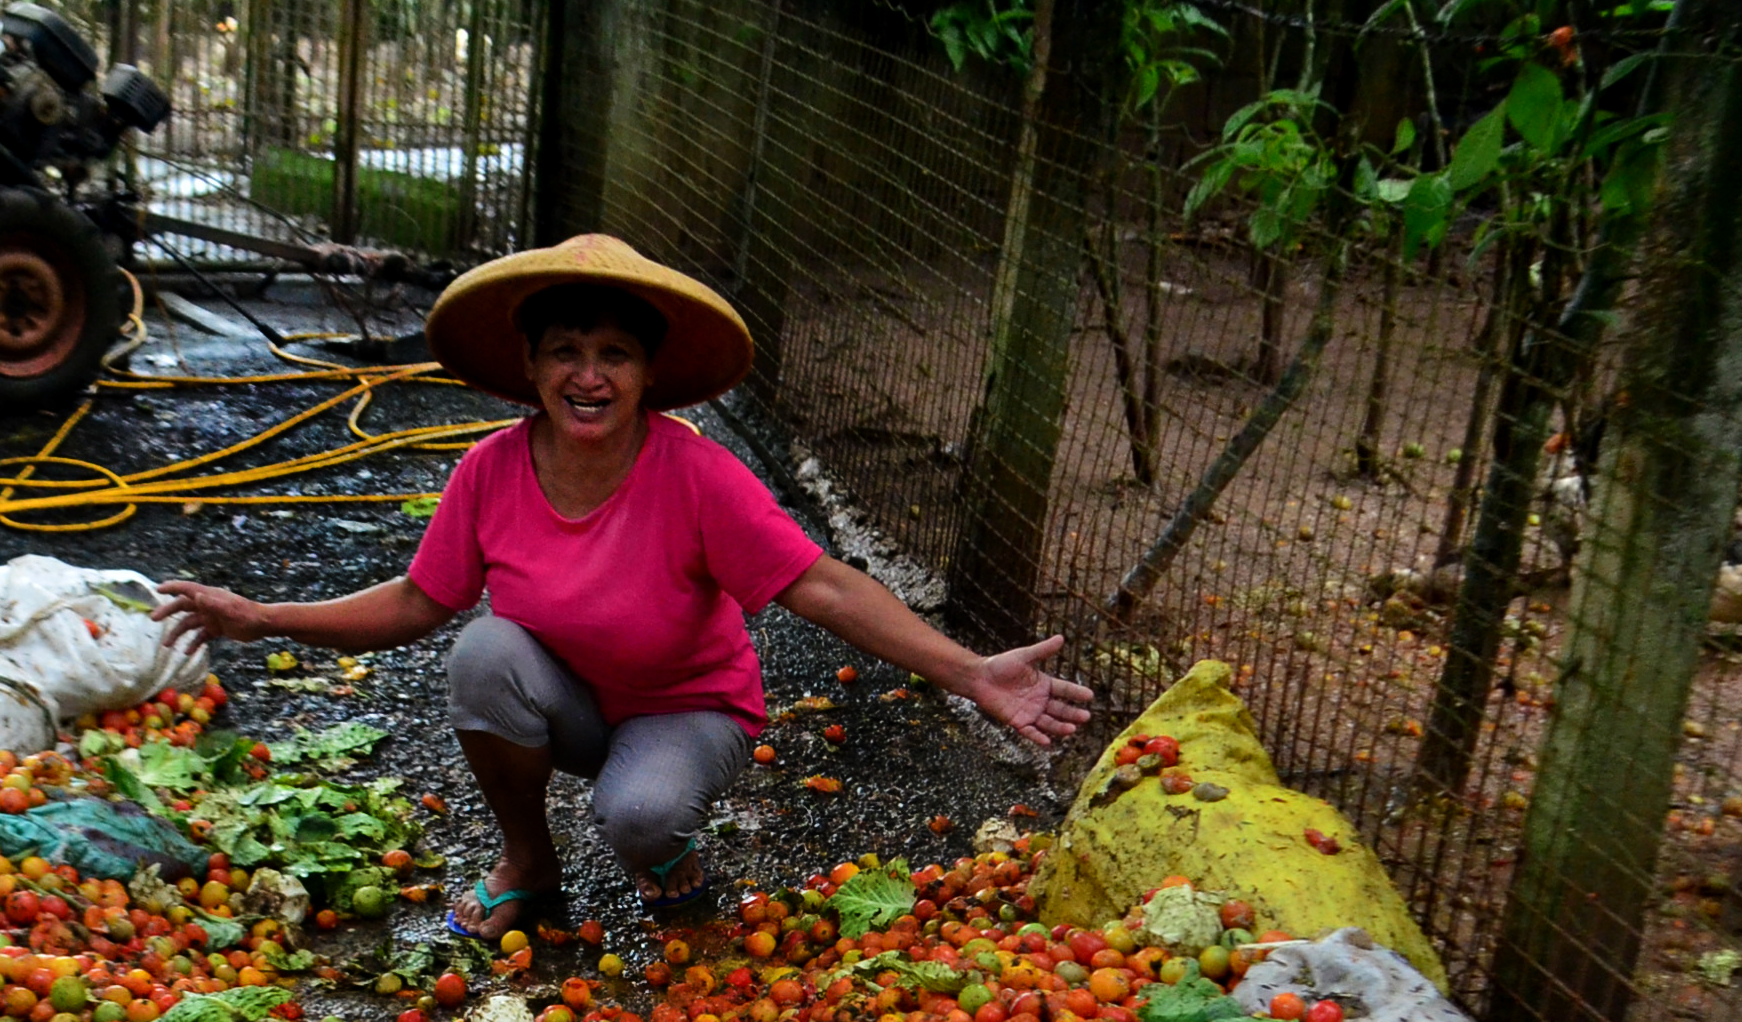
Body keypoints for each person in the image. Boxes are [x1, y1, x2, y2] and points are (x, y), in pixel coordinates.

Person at [158, 233, 1094, 936]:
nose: (589, 374)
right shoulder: (490, 470)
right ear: (529, 369)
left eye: (615, 354)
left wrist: (969, 672)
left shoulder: (697, 476)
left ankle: (667, 843)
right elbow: (417, 602)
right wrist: (262, 617)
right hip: (569, 708)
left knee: (639, 816)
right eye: (565, 350)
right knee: (483, 651)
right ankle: (529, 860)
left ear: (649, 374)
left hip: (689, 711)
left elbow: (824, 587)